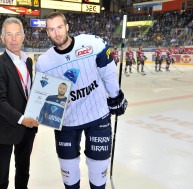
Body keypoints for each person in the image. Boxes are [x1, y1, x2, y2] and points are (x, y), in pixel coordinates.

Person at [35, 12, 128, 189]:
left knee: (98, 168)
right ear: (47, 33)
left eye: (59, 27)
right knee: (68, 170)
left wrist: (116, 97)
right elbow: (43, 98)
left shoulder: (92, 43)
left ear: (67, 26)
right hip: (67, 121)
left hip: (98, 115)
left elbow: (108, 73)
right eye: (51, 29)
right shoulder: (44, 63)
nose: (57, 33)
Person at [0, 17, 40, 189]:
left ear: (23, 37)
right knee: (1, 177)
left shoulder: (28, 61)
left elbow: (28, 92)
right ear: (2, 38)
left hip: (28, 129)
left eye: (17, 34)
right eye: (9, 34)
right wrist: (21, 119)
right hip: (5, 128)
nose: (14, 39)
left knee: (23, 171)